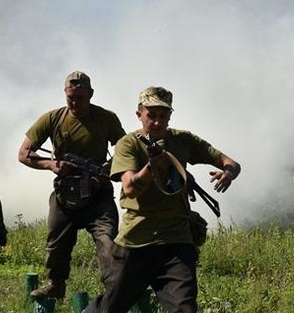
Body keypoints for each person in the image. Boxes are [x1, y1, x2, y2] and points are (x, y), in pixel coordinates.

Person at [87, 86, 242, 313]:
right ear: (139, 114)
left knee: (184, 308)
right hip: (136, 241)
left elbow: (231, 163)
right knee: (110, 307)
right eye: (152, 115)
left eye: (163, 116)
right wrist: (151, 168)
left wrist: (227, 174)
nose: (158, 122)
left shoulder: (183, 141)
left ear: (170, 115)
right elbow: (130, 188)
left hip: (176, 241)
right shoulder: (128, 144)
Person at [18, 71, 126, 300]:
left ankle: (114, 292)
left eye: (81, 98)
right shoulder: (52, 118)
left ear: (91, 94)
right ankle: (56, 285)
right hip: (65, 194)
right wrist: (51, 165)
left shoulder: (106, 118)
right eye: (71, 98)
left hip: (98, 192)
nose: (75, 103)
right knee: (56, 243)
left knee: (108, 241)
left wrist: (109, 167)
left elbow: (126, 150)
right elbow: (24, 153)